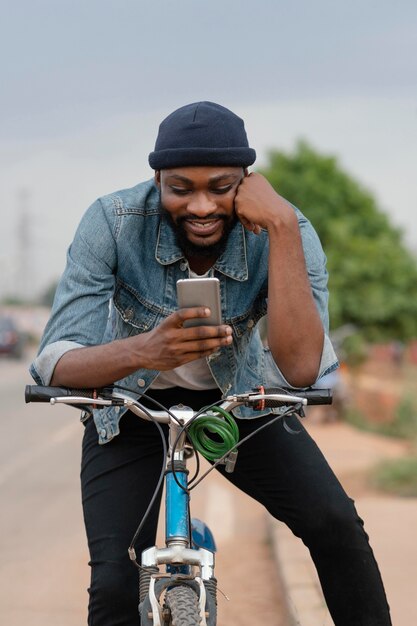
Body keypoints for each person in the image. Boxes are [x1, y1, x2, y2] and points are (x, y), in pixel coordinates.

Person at [30, 101, 391, 625]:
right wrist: (144, 351)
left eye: (220, 187)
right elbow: (56, 359)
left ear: (245, 180)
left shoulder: (287, 228)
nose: (201, 205)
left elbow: (300, 369)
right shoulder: (110, 221)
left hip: (239, 408)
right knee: (113, 583)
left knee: (336, 526)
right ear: (158, 180)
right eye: (182, 189)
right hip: (132, 408)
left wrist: (283, 227)